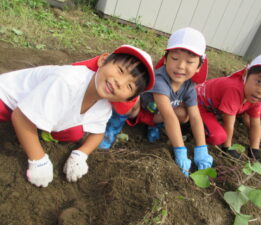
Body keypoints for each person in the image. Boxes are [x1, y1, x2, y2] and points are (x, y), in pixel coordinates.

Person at [0, 45, 155, 187]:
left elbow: (98, 133)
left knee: (75, 133)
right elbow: (20, 117)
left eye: (129, 86)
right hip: (6, 100)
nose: (119, 82)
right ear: (102, 61)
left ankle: (42, 128)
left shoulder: (104, 106)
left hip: (31, 109)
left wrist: (81, 154)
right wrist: (38, 159)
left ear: (128, 99)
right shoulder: (67, 81)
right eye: (120, 71)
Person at [99, 27, 212, 176]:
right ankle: (112, 129)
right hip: (140, 112)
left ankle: (154, 127)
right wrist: (180, 151)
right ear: (165, 59)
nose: (181, 66)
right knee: (130, 102)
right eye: (175, 58)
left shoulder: (189, 86)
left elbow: (196, 117)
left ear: (198, 67)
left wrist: (201, 149)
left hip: (157, 116)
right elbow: (169, 116)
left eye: (190, 62)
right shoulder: (160, 79)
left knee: (185, 114)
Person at [195, 53, 261, 160]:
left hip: (211, 110)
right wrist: (227, 148)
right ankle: (189, 125)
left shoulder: (255, 97)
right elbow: (229, 123)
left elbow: (255, 124)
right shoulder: (234, 89)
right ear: (245, 74)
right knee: (218, 137)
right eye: (259, 82)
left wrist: (255, 149)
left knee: (219, 131)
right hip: (196, 105)